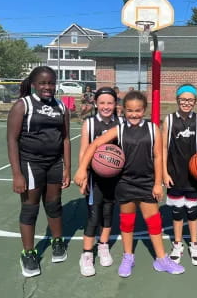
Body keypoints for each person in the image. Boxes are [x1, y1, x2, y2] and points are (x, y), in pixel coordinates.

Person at [74, 90, 184, 278]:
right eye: (130, 111)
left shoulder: (152, 129)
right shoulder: (119, 128)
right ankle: (128, 257)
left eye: (138, 110)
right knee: (127, 222)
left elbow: (158, 156)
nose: (134, 114)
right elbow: (93, 145)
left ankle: (161, 259)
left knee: (154, 222)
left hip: (146, 182)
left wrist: (158, 183)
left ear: (145, 110)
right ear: (123, 110)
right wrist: (82, 168)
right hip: (125, 182)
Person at [7, 66, 71, 278]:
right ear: (34, 84)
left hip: (54, 163)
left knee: (54, 204)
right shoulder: (23, 105)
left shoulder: (61, 106)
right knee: (30, 208)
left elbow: (65, 138)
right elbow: (12, 139)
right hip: (31, 164)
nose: (47, 87)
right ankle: (28, 253)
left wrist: (67, 167)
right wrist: (17, 173)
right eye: (43, 83)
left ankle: (57, 241)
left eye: (51, 83)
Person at [162, 84, 197, 266]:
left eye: (190, 100)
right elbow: (162, 149)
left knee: (193, 212)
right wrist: (164, 172)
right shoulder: (169, 120)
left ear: (195, 101)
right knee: (177, 211)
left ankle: (194, 244)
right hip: (174, 174)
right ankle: (177, 244)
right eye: (183, 99)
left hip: (194, 174)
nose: (186, 103)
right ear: (177, 100)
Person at [77, 87, 123, 277]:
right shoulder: (89, 123)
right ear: (96, 103)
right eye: (102, 103)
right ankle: (87, 254)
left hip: (113, 178)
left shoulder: (120, 123)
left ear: (115, 105)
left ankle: (103, 245)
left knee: (108, 213)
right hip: (95, 178)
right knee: (94, 216)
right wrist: (83, 173)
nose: (106, 106)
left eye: (110, 103)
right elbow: (83, 150)